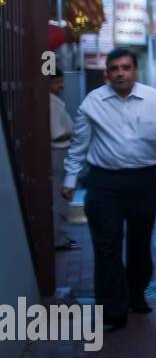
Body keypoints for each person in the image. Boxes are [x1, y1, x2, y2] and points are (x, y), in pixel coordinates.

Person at [62, 48, 156, 331]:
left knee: (140, 243)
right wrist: (69, 180)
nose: (120, 73)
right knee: (107, 246)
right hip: (104, 184)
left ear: (135, 70)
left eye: (125, 67)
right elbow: (78, 145)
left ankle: (136, 292)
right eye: (114, 68)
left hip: (142, 181)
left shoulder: (153, 99)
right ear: (107, 73)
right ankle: (113, 311)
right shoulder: (93, 103)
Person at [49, 70, 77, 251]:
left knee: (61, 196)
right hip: (58, 153)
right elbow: (56, 135)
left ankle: (60, 236)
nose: (61, 85)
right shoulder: (50, 103)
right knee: (60, 196)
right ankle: (58, 239)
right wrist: (74, 133)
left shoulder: (54, 101)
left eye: (61, 81)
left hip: (60, 153)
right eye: (57, 82)